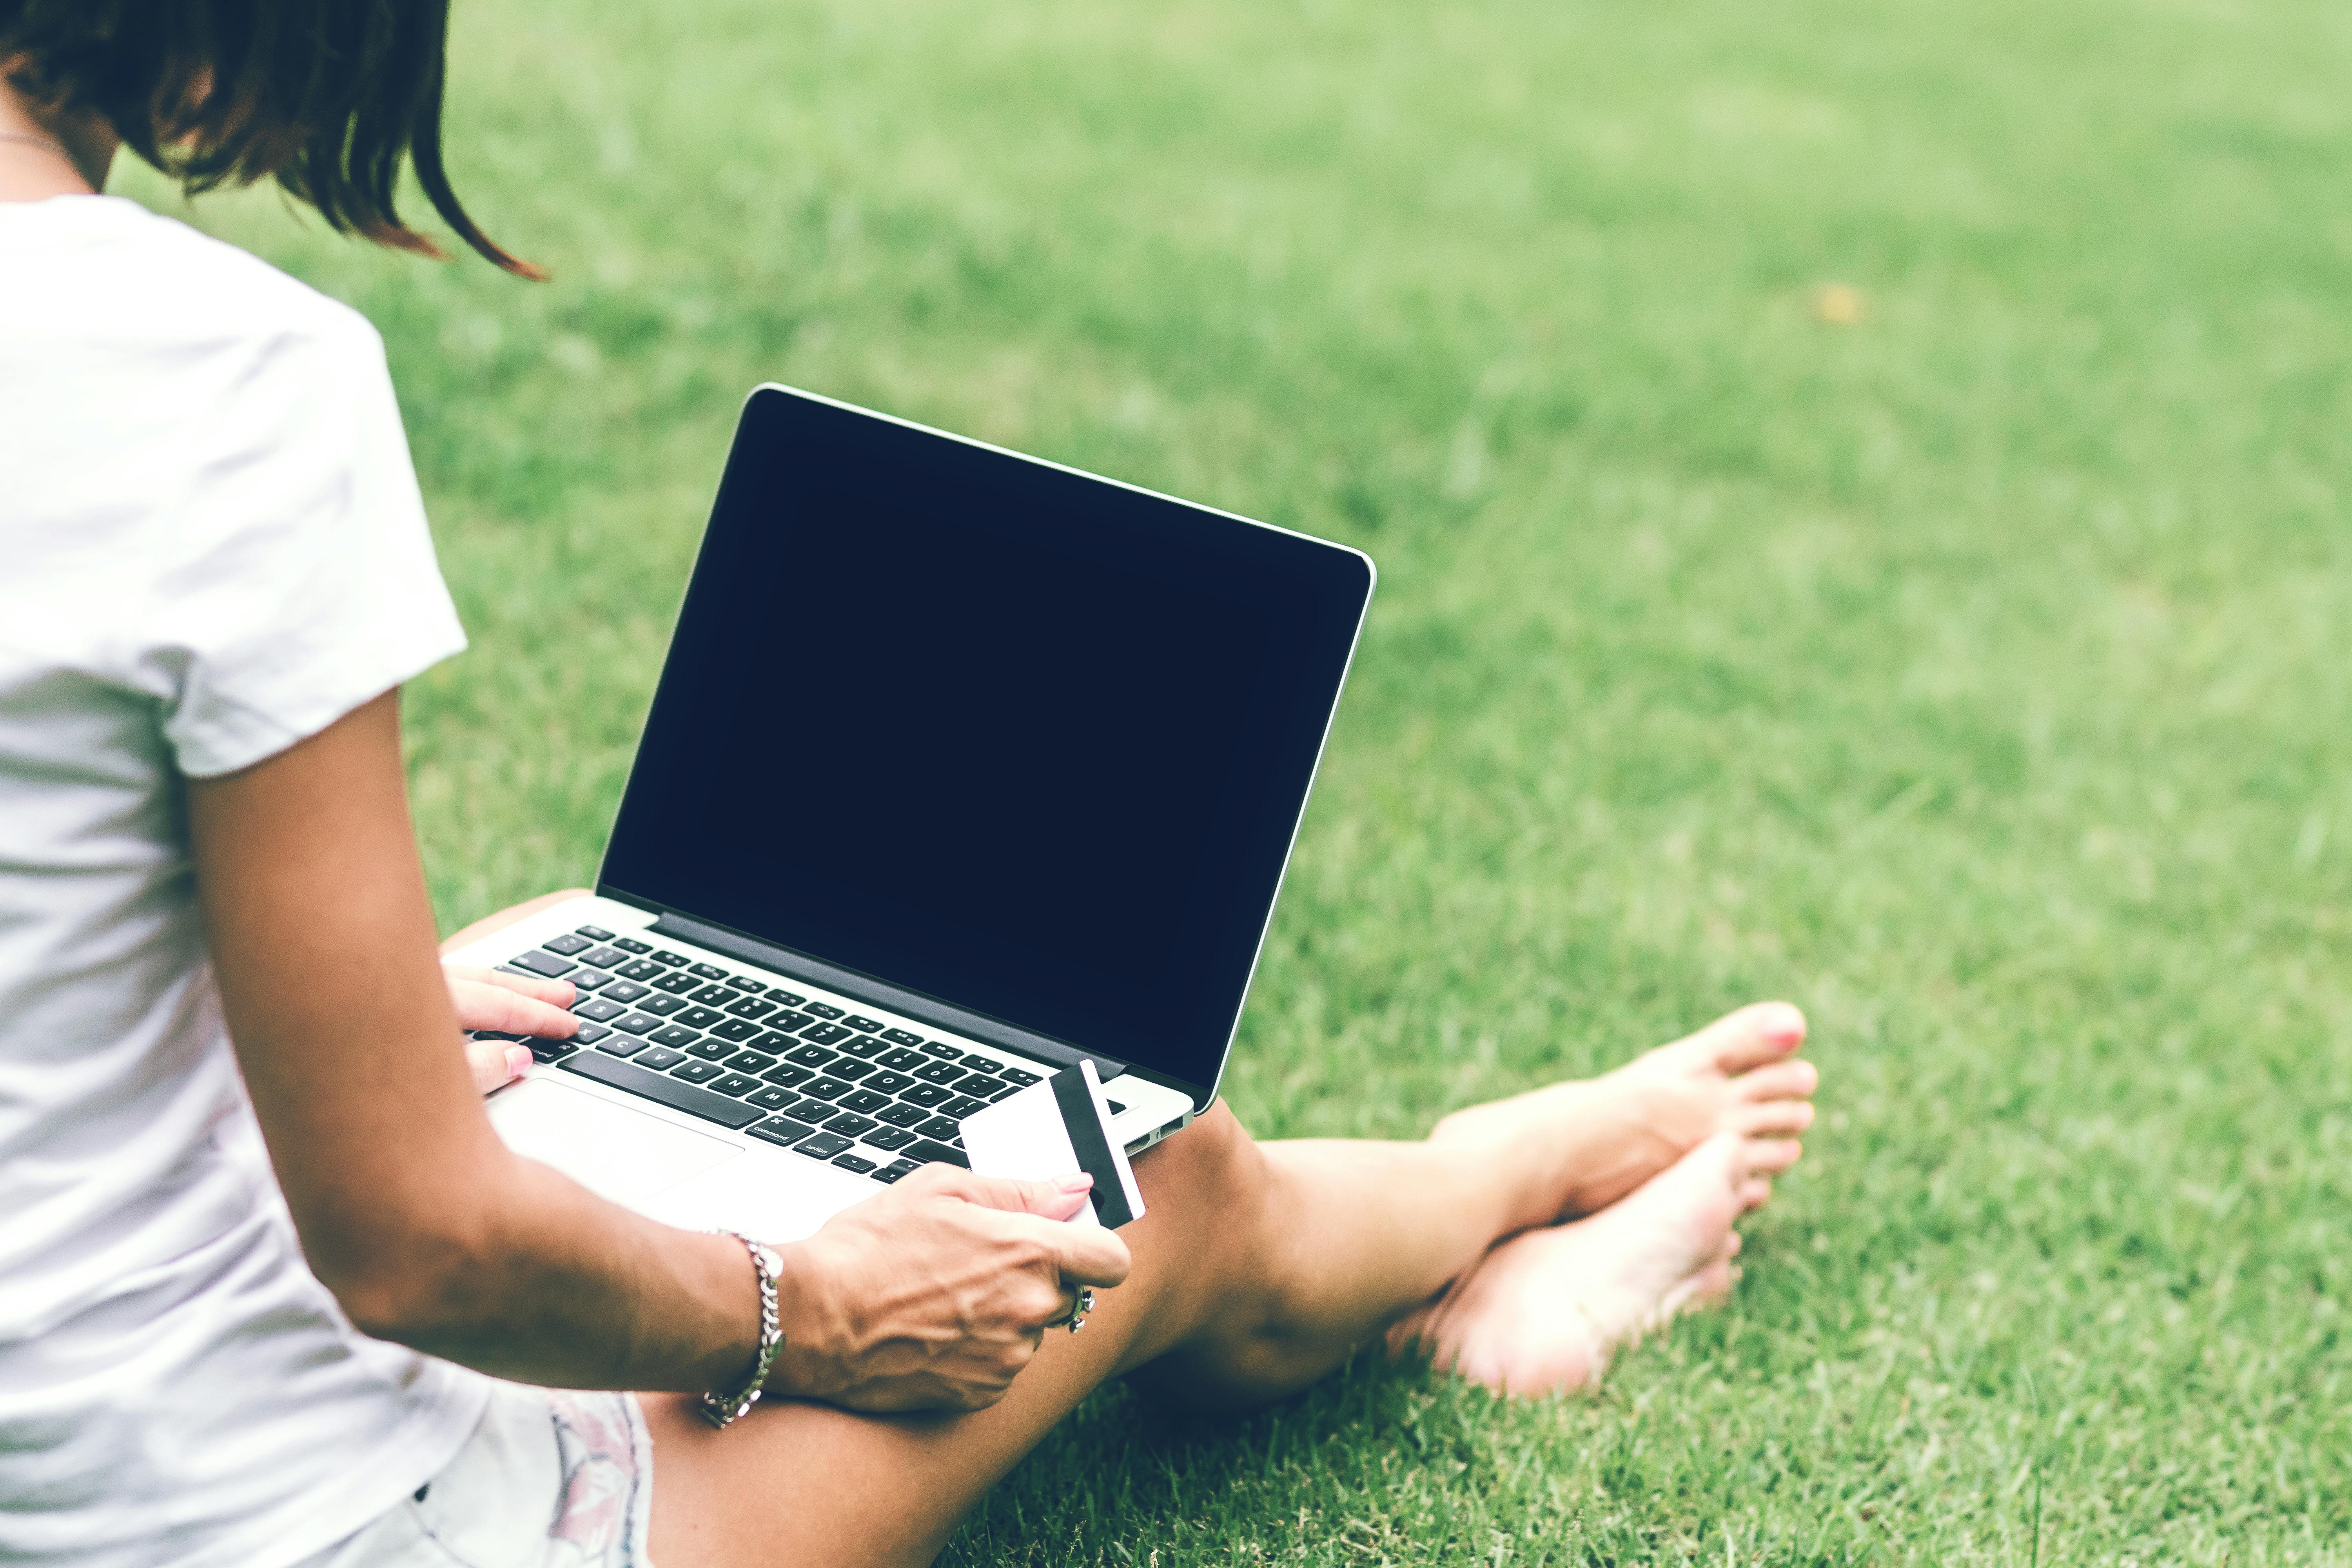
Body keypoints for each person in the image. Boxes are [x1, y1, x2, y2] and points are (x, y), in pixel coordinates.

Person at [0, 5, 1819, 1565]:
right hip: (270, 1518)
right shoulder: (218, 380)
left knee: (509, 987)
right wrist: (809, 1306)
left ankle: (1493, 1213)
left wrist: (284, 1031)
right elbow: (419, 1247)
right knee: (1138, 1186)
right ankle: (1518, 1197)